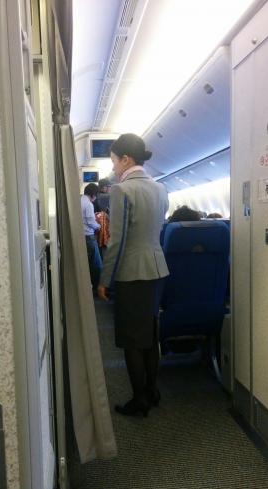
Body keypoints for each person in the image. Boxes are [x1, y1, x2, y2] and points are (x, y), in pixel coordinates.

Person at [97, 133, 169, 417]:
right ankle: (152, 391)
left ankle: (140, 400)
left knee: (131, 339)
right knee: (150, 335)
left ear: (126, 159)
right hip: (157, 269)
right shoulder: (160, 188)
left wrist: (105, 280)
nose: (114, 167)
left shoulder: (122, 190)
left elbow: (117, 241)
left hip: (133, 273)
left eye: (114, 161)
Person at [81, 183, 102, 291]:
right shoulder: (89, 204)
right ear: (93, 194)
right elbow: (90, 222)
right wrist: (99, 226)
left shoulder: (79, 200)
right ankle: (97, 289)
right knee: (97, 265)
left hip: (81, 236)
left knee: (87, 264)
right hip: (89, 237)